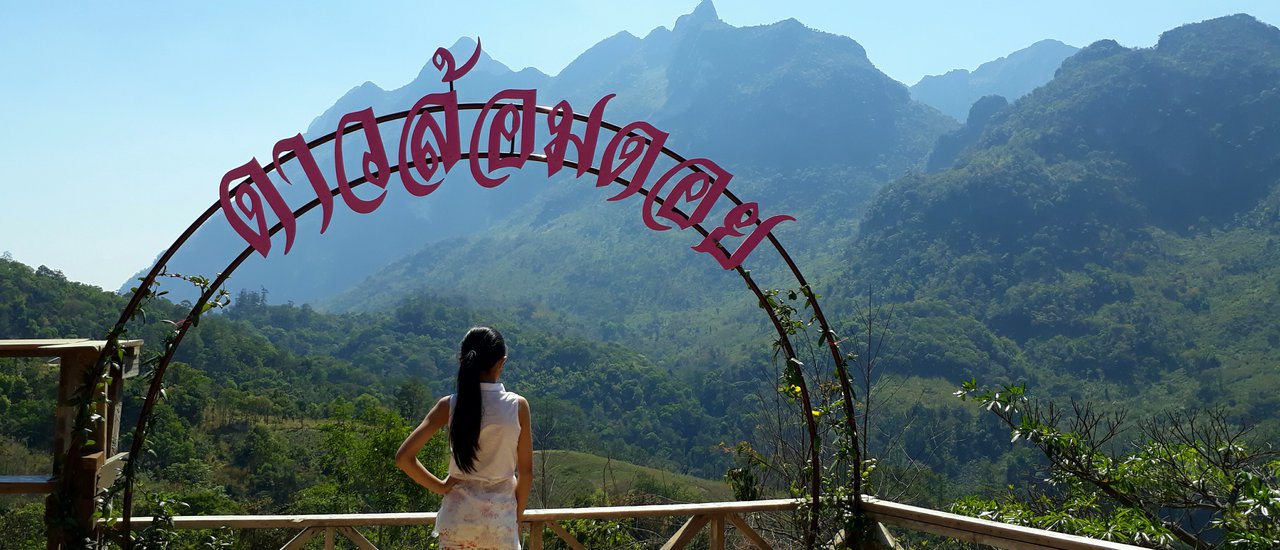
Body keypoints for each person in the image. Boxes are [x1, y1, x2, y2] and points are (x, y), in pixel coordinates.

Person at [396, 326, 533, 549]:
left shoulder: (449, 405)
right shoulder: (517, 407)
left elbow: (404, 458)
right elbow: (526, 473)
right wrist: (515, 517)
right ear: (502, 363)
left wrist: (440, 487)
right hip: (500, 522)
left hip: (457, 519)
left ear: (462, 361)